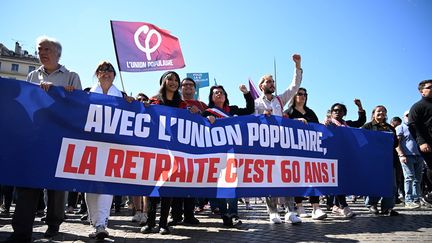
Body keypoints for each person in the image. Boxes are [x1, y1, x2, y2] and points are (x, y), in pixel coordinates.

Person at [6, 36, 82, 243]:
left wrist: (63, 94)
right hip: (33, 139)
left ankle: (54, 223)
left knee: (56, 186)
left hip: (59, 140)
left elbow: (79, 107)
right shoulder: (31, 76)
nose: (42, 52)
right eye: (40, 49)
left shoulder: (71, 76)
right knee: (27, 184)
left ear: (58, 53)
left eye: (47, 49)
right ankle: (21, 232)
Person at [84, 61, 133, 240]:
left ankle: (102, 223)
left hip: (112, 147)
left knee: (106, 184)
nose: (106, 73)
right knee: (89, 187)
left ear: (114, 75)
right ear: (97, 73)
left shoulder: (122, 96)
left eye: (110, 70)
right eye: (102, 70)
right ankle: (94, 221)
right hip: (89, 145)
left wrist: (131, 103)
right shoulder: (87, 93)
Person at [254, 53, 302, 224]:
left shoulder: (280, 100)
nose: (271, 84)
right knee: (269, 178)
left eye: (272, 82)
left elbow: (294, 87)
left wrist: (297, 66)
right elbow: (250, 122)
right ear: (261, 85)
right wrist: (261, 117)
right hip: (265, 146)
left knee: (287, 176)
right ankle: (272, 211)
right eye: (268, 81)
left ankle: (290, 211)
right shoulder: (255, 103)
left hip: (282, 143)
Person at [141, 71, 188, 235]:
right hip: (156, 149)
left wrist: (196, 113)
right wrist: (142, 107)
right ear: (163, 82)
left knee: (167, 188)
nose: (173, 82)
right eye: (170, 79)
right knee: (153, 188)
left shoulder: (182, 105)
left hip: (174, 151)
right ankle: (149, 222)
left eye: (176, 80)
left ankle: (163, 224)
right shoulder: (153, 101)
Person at [202, 84, 254, 227]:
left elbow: (250, 110)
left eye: (221, 92)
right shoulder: (207, 112)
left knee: (232, 184)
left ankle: (234, 214)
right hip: (216, 154)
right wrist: (208, 120)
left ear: (225, 96)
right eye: (215, 93)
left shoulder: (234, 110)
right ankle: (225, 215)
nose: (219, 94)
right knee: (220, 185)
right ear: (212, 97)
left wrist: (246, 94)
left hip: (233, 153)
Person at [284, 88, 328, 220]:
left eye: (305, 94)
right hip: (294, 150)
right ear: (294, 96)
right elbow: (282, 126)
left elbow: (317, 128)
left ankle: (316, 207)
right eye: (300, 94)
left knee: (313, 176)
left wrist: (324, 125)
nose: (302, 96)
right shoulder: (288, 112)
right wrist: (295, 121)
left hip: (310, 150)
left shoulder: (311, 112)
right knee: (297, 178)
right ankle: (299, 206)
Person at [169, 77, 206, 226]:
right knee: (176, 182)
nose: (188, 87)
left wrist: (200, 114)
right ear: (180, 88)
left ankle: (189, 215)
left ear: (195, 89)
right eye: (185, 85)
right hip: (176, 147)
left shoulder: (202, 105)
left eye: (191, 85)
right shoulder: (176, 102)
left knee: (192, 182)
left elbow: (209, 121)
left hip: (194, 149)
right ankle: (175, 215)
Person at [323, 99, 366, 218]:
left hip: (346, 157)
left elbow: (360, 122)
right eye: (335, 110)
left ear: (344, 113)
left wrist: (360, 107)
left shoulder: (347, 125)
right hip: (332, 157)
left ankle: (335, 206)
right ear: (331, 113)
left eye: (340, 110)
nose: (337, 112)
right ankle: (344, 206)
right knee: (338, 181)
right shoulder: (328, 124)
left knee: (344, 181)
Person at [362, 105, 399, 216]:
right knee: (374, 183)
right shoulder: (367, 126)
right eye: (378, 111)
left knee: (391, 185)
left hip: (388, 160)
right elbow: (362, 142)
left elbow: (396, 144)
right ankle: (371, 204)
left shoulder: (390, 128)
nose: (381, 113)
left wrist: (391, 138)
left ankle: (387, 207)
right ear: (373, 114)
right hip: (373, 160)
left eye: (383, 111)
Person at [408, 79, 432, 201]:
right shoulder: (418, 107)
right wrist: (422, 142)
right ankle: (429, 191)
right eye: (430, 87)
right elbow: (413, 125)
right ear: (422, 92)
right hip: (427, 144)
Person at [396, 111, 424, 208]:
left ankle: (416, 199)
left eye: (411, 115)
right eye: (407, 115)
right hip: (407, 156)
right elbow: (397, 142)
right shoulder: (401, 127)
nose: (409, 117)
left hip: (419, 156)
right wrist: (401, 154)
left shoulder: (417, 128)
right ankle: (408, 200)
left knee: (418, 179)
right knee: (409, 178)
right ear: (404, 117)